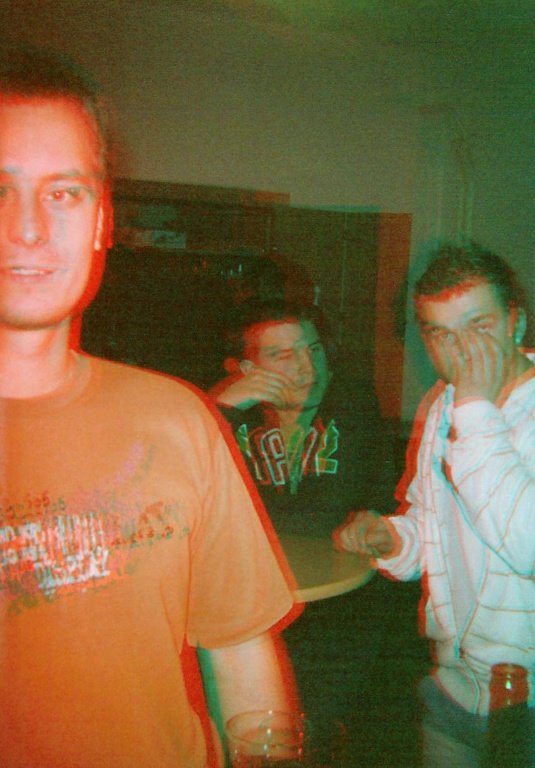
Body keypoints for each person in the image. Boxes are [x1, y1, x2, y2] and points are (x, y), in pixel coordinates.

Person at [0, 46, 299, 768]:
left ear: (103, 220)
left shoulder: (180, 420)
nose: (28, 228)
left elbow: (241, 655)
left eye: (64, 193)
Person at [337, 242, 535, 767]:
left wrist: (474, 409)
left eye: (479, 326)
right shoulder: (440, 404)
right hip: (451, 690)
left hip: (528, 706)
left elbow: (528, 546)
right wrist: (392, 539)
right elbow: (429, 528)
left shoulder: (466, 407)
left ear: (515, 322)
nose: (461, 350)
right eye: (441, 333)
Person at [209, 297, 401, 763]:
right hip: (260, 604)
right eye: (283, 355)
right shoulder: (233, 416)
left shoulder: (351, 401)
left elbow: (325, 514)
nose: (308, 368)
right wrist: (221, 408)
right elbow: (188, 495)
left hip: (343, 611)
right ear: (246, 369)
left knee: (314, 731)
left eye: (313, 350)